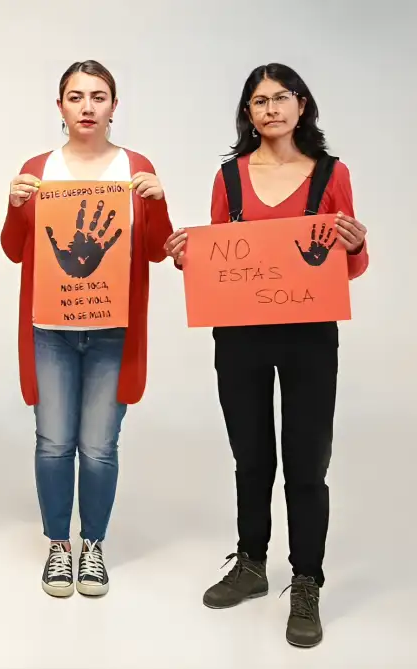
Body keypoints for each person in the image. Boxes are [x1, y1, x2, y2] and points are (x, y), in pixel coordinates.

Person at [164, 63, 369, 648]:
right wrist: (189, 255)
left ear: (303, 106)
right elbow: (220, 259)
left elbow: (349, 266)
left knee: (306, 463)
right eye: (259, 101)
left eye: (282, 98)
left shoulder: (331, 174)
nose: (271, 108)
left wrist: (355, 245)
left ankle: (306, 580)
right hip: (240, 334)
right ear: (248, 113)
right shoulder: (228, 178)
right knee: (251, 457)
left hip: (308, 333)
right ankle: (252, 563)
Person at [0, 60, 173, 598]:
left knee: (98, 446)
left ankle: (93, 545)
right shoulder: (39, 168)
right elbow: (12, 251)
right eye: (76, 97)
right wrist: (15, 208)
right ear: (60, 107)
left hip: (112, 329)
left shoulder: (135, 167)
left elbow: (154, 252)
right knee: (53, 443)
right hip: (49, 328)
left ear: (114, 106)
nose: (88, 107)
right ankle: (59, 545)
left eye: (98, 97)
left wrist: (158, 202)